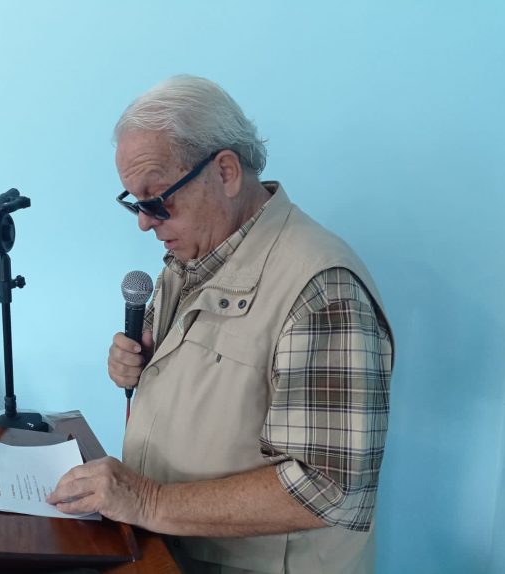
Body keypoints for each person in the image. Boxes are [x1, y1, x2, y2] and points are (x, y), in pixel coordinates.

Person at [47, 75, 394, 574]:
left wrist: (147, 501)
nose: (144, 221)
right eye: (134, 202)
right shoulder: (194, 258)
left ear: (226, 172)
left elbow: (329, 487)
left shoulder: (322, 289)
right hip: (174, 553)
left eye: (155, 199)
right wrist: (141, 363)